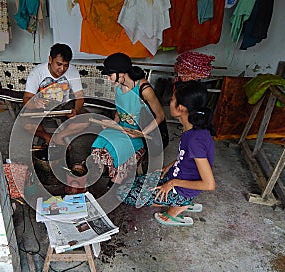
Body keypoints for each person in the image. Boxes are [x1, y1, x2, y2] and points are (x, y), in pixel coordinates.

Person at [118, 80, 216, 226]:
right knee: (127, 185)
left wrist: (172, 183)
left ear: (181, 108)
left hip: (181, 188)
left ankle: (181, 204)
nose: (170, 102)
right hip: (175, 177)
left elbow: (209, 184)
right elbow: (187, 157)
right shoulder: (193, 128)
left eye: (172, 100)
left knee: (124, 194)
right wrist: (172, 165)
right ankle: (180, 200)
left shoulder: (196, 140)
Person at [91, 52, 166, 187]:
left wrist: (142, 134)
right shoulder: (118, 87)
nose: (109, 79)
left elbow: (160, 116)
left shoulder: (144, 89)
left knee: (116, 146)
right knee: (101, 141)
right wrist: (112, 124)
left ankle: (120, 176)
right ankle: (113, 171)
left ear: (122, 73)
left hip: (141, 133)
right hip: (123, 128)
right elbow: (119, 112)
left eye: (110, 75)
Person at [22, 43, 87, 145]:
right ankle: (47, 136)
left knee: (85, 121)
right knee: (25, 125)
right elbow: (26, 98)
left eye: (66, 65)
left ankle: (58, 137)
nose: (62, 69)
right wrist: (35, 104)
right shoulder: (37, 72)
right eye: (59, 64)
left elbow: (80, 97)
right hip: (42, 107)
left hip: (64, 106)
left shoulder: (73, 71)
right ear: (50, 59)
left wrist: (76, 111)